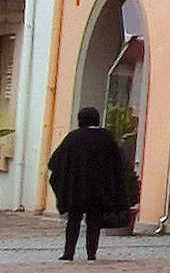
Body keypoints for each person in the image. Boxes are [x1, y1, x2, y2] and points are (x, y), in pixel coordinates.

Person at [45, 103, 136, 261]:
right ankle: (91, 253)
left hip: (76, 190)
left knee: (73, 221)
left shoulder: (73, 138)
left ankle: (68, 253)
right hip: (99, 191)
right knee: (94, 222)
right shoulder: (106, 138)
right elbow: (117, 165)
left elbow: (55, 162)